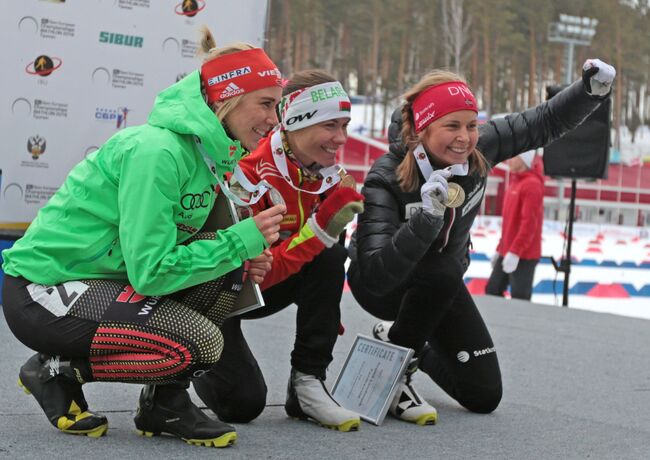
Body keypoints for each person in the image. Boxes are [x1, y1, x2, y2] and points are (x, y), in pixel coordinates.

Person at [1, 26, 286, 448]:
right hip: (41, 290)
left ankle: (165, 406)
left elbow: (179, 252)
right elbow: (152, 271)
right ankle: (56, 371)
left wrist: (239, 254)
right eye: (266, 104)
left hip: (102, 281)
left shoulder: (207, 155)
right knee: (202, 343)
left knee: (228, 274)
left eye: (277, 107)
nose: (273, 121)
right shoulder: (158, 152)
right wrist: (237, 243)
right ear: (226, 98)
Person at [347, 58, 616, 423]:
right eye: (452, 126)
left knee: (483, 394)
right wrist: (425, 222)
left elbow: (543, 122)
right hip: (382, 288)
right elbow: (375, 273)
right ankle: (394, 368)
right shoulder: (386, 177)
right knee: (441, 267)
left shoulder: (479, 150)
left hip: (440, 285)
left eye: (472, 125)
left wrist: (589, 92)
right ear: (422, 129)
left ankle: (409, 344)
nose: (464, 137)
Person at [192, 69, 365, 432]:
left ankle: (308, 383)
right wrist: (319, 231)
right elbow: (250, 277)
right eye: (331, 126)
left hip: (259, 283)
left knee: (331, 257)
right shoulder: (248, 172)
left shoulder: (326, 174)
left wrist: (324, 311)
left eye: (345, 126)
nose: (341, 139)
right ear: (297, 121)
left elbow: (321, 265)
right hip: (218, 294)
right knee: (242, 405)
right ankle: (182, 362)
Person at [485, 150, 544, 300]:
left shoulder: (532, 185)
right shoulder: (515, 182)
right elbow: (509, 224)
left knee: (520, 299)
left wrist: (516, 252)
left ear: (524, 160)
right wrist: (500, 249)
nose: (508, 160)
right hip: (508, 250)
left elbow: (529, 224)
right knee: (492, 289)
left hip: (524, 254)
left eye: (513, 157)